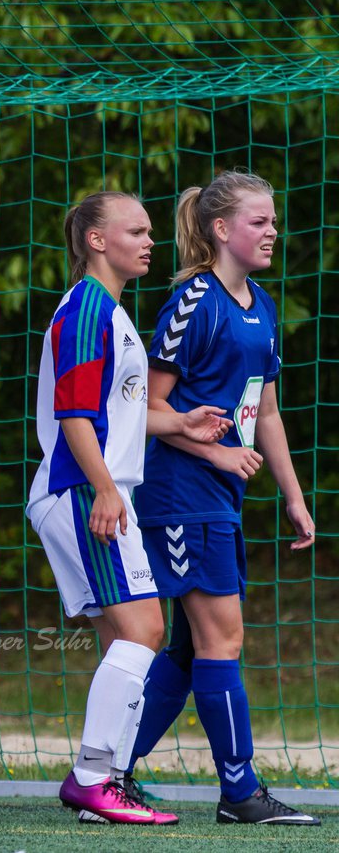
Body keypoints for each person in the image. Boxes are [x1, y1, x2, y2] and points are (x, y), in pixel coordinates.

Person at [28, 191, 231, 825]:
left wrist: (179, 422)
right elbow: (74, 417)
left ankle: (107, 780)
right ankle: (93, 777)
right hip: (86, 487)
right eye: (135, 231)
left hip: (99, 485)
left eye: (149, 231)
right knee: (146, 631)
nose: (150, 241)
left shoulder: (109, 313)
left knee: (128, 634)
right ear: (96, 241)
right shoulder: (87, 310)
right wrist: (108, 489)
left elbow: (116, 412)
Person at [124, 172, 321, 825]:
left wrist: (294, 495)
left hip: (221, 499)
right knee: (221, 639)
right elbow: (144, 410)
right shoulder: (192, 302)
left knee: (187, 648)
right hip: (180, 496)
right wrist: (214, 453)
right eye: (259, 221)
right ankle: (239, 790)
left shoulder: (260, 305)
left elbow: (265, 412)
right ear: (219, 229)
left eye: (273, 220)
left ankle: (106, 769)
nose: (272, 231)